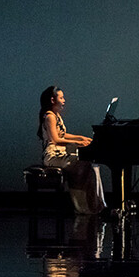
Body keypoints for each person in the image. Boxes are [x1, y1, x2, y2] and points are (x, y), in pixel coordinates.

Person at [38, 86, 106, 215]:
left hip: (60, 154)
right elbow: (55, 139)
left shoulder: (56, 115)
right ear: (53, 100)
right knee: (84, 164)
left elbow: (63, 134)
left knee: (92, 166)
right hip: (53, 156)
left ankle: (97, 205)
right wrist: (78, 143)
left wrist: (81, 137)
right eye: (61, 97)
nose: (64, 100)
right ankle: (85, 207)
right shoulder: (49, 117)